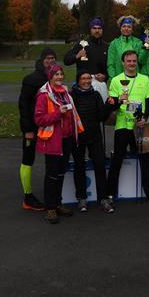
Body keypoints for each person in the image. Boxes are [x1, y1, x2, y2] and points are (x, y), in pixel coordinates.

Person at [106, 50, 149, 205]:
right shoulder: (116, 80)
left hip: (139, 126)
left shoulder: (144, 79)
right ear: (123, 63)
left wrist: (144, 118)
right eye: (128, 61)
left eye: (134, 61)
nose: (132, 63)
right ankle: (109, 194)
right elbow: (111, 105)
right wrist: (118, 101)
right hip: (122, 125)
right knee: (117, 160)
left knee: (144, 160)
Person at [33, 64, 84, 224]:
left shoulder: (66, 94)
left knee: (61, 173)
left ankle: (58, 204)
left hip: (67, 139)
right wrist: (57, 113)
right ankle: (50, 208)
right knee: (52, 175)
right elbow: (39, 119)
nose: (60, 77)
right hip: (53, 140)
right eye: (56, 75)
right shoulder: (44, 95)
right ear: (50, 77)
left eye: (61, 74)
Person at [17, 47, 57, 211]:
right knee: (28, 159)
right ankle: (28, 196)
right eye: (47, 58)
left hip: (48, 125)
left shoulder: (55, 77)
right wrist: (27, 128)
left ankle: (52, 194)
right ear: (41, 60)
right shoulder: (31, 79)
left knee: (51, 159)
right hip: (33, 127)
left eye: (53, 58)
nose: (50, 61)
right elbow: (23, 104)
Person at [70, 70, 114, 214]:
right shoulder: (72, 95)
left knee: (100, 166)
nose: (87, 81)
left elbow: (102, 116)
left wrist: (109, 105)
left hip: (95, 136)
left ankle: (103, 199)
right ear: (78, 81)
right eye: (83, 78)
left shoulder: (95, 95)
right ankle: (82, 198)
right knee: (79, 167)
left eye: (89, 78)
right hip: (78, 137)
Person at [63, 17, 109, 100]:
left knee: (102, 107)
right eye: (94, 28)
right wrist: (77, 56)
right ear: (90, 29)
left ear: (102, 30)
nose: (97, 30)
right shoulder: (82, 44)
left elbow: (110, 67)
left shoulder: (107, 46)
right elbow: (66, 60)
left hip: (101, 85)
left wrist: (105, 76)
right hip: (84, 85)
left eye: (99, 28)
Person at [106, 15, 143, 81]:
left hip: (135, 80)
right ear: (120, 29)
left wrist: (146, 49)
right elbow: (110, 64)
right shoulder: (114, 43)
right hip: (118, 79)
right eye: (124, 26)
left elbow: (141, 61)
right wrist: (114, 79)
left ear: (132, 30)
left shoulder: (138, 43)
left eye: (129, 27)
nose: (126, 28)